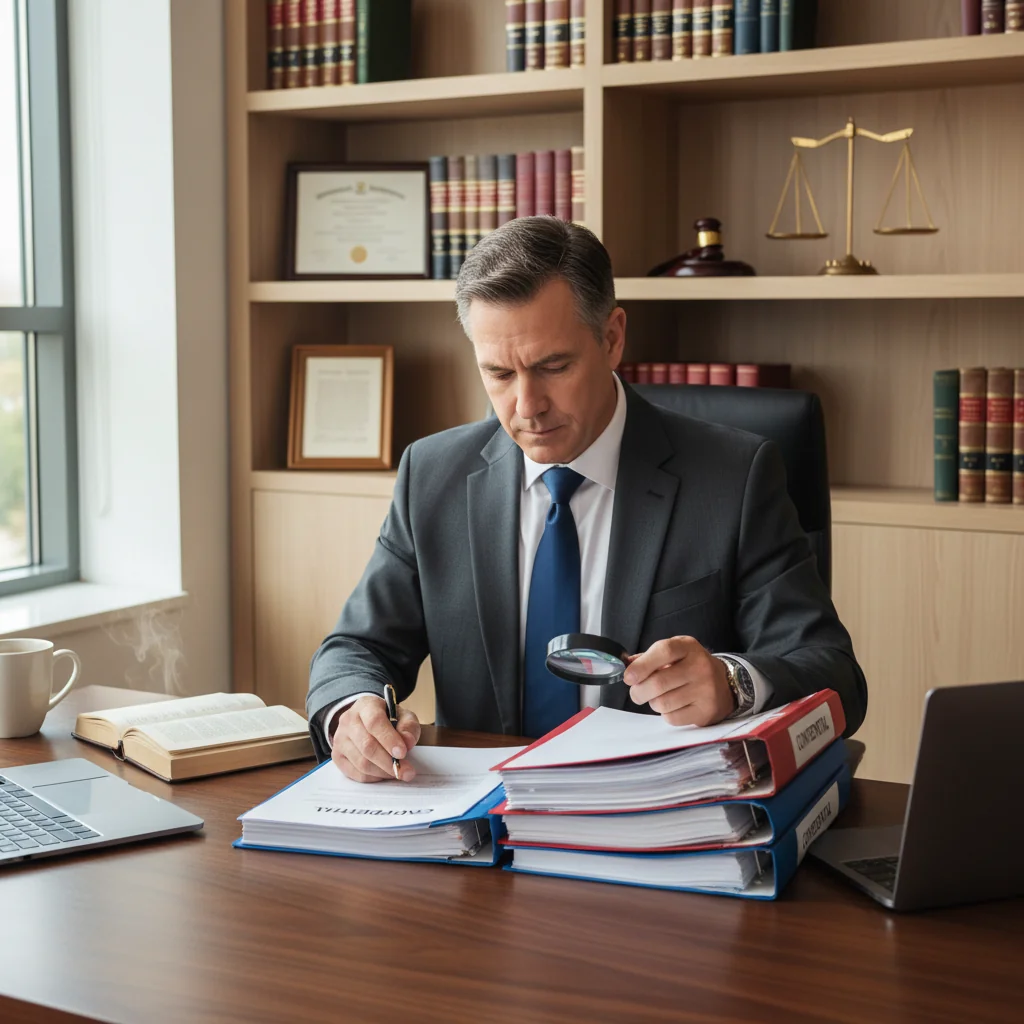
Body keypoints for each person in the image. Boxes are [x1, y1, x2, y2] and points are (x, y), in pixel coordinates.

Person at [307, 217, 867, 782]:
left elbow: (833, 674)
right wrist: (352, 712)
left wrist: (733, 683)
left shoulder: (733, 477)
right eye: (498, 373)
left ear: (612, 337)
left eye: (553, 367)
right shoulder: (433, 474)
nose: (527, 406)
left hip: (655, 808)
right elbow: (356, 647)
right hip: (480, 812)